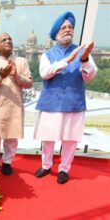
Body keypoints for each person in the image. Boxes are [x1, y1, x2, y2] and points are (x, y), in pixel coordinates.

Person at [34, 11, 98, 184]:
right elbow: (45, 73)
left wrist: (83, 60)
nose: (68, 30)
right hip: (51, 102)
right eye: (64, 28)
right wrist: (67, 60)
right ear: (56, 33)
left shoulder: (83, 52)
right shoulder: (47, 54)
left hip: (73, 102)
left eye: (70, 27)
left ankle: (64, 169)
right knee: (48, 137)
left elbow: (90, 75)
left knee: (70, 139)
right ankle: (46, 165)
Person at [0, 32, 33, 175]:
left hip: (15, 106)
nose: (8, 41)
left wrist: (16, 75)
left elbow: (29, 83)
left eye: (10, 39)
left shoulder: (22, 61)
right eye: (3, 40)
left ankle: (7, 162)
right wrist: (0, 77)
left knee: (11, 136)